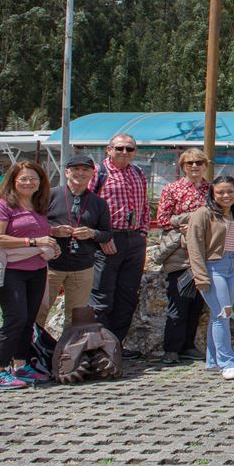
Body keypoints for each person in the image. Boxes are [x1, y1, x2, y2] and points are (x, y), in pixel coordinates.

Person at [0, 161, 58, 390]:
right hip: (11, 270)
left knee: (28, 320)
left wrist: (54, 233)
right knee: (14, 319)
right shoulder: (2, 205)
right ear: (13, 181)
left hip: (36, 269)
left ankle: (21, 365)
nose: (29, 182)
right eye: (23, 179)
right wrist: (34, 241)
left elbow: (33, 229)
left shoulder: (38, 205)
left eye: (33, 178)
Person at [91, 133, 150, 357]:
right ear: (109, 149)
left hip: (134, 238)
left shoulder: (138, 173)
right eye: (119, 148)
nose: (124, 152)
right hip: (108, 238)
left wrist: (143, 232)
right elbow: (89, 206)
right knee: (102, 294)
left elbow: (144, 204)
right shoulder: (99, 173)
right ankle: (99, 345)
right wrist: (102, 237)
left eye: (129, 149)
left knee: (127, 294)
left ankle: (115, 344)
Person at [38, 154, 112, 329]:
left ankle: (69, 354)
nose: (80, 173)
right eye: (76, 169)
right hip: (50, 266)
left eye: (85, 170)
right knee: (39, 312)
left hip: (82, 267)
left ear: (92, 174)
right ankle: (33, 352)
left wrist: (92, 233)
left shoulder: (99, 203)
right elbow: (33, 225)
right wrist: (52, 230)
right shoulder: (50, 195)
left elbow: (107, 234)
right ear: (66, 172)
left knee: (76, 317)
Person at [152, 148, 211, 364]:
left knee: (197, 303)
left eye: (198, 162)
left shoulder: (210, 189)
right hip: (180, 253)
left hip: (204, 250)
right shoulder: (172, 189)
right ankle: (172, 347)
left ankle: (188, 345)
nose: (194, 166)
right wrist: (186, 224)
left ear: (205, 165)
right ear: (182, 166)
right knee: (178, 300)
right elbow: (163, 219)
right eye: (189, 163)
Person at [187, 175, 234, 380]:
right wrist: (200, 275)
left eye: (230, 191)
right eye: (220, 192)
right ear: (212, 194)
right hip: (214, 267)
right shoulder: (203, 214)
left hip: (232, 267)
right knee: (223, 314)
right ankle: (227, 362)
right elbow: (194, 246)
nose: (225, 195)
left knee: (217, 315)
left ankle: (212, 360)